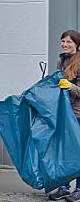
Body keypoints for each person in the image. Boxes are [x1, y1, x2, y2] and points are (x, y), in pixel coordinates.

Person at [48, 30, 80, 201]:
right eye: (63, 41)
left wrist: (70, 86)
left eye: (69, 42)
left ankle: (79, 189)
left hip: (77, 114)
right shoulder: (61, 61)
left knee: (78, 151)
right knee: (63, 152)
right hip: (62, 113)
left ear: (76, 44)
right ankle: (64, 187)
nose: (65, 45)